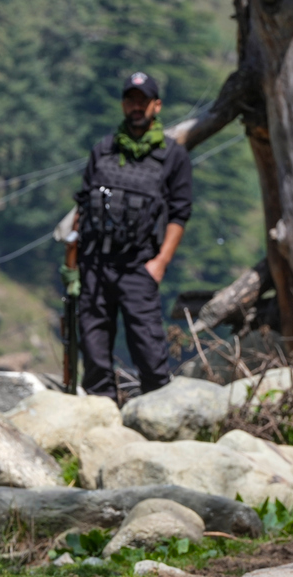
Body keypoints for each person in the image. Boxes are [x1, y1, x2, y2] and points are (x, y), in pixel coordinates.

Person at [67, 71, 192, 402]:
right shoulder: (104, 149)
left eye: (143, 101)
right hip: (94, 264)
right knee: (94, 352)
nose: (136, 107)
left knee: (150, 352)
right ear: (124, 105)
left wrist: (161, 262)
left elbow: (180, 213)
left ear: (156, 105)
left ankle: (156, 421)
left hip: (139, 266)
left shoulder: (172, 155)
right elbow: (82, 207)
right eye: (130, 101)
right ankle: (101, 418)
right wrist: (73, 265)